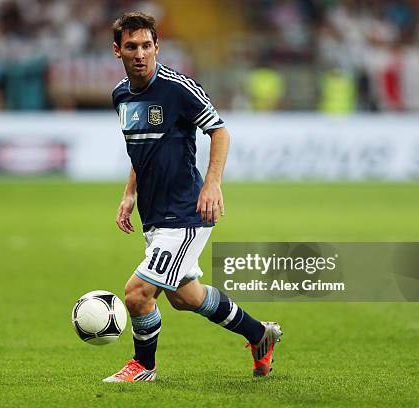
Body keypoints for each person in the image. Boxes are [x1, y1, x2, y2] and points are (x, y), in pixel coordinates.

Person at [104, 12, 282, 383]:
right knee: (186, 297)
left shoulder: (178, 88)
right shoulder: (121, 95)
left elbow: (219, 132)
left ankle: (143, 367)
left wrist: (212, 183)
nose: (140, 54)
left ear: (157, 47)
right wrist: (129, 193)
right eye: (132, 46)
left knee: (137, 294)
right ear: (117, 50)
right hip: (155, 215)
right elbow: (142, 150)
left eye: (147, 46)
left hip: (186, 214)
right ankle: (258, 335)